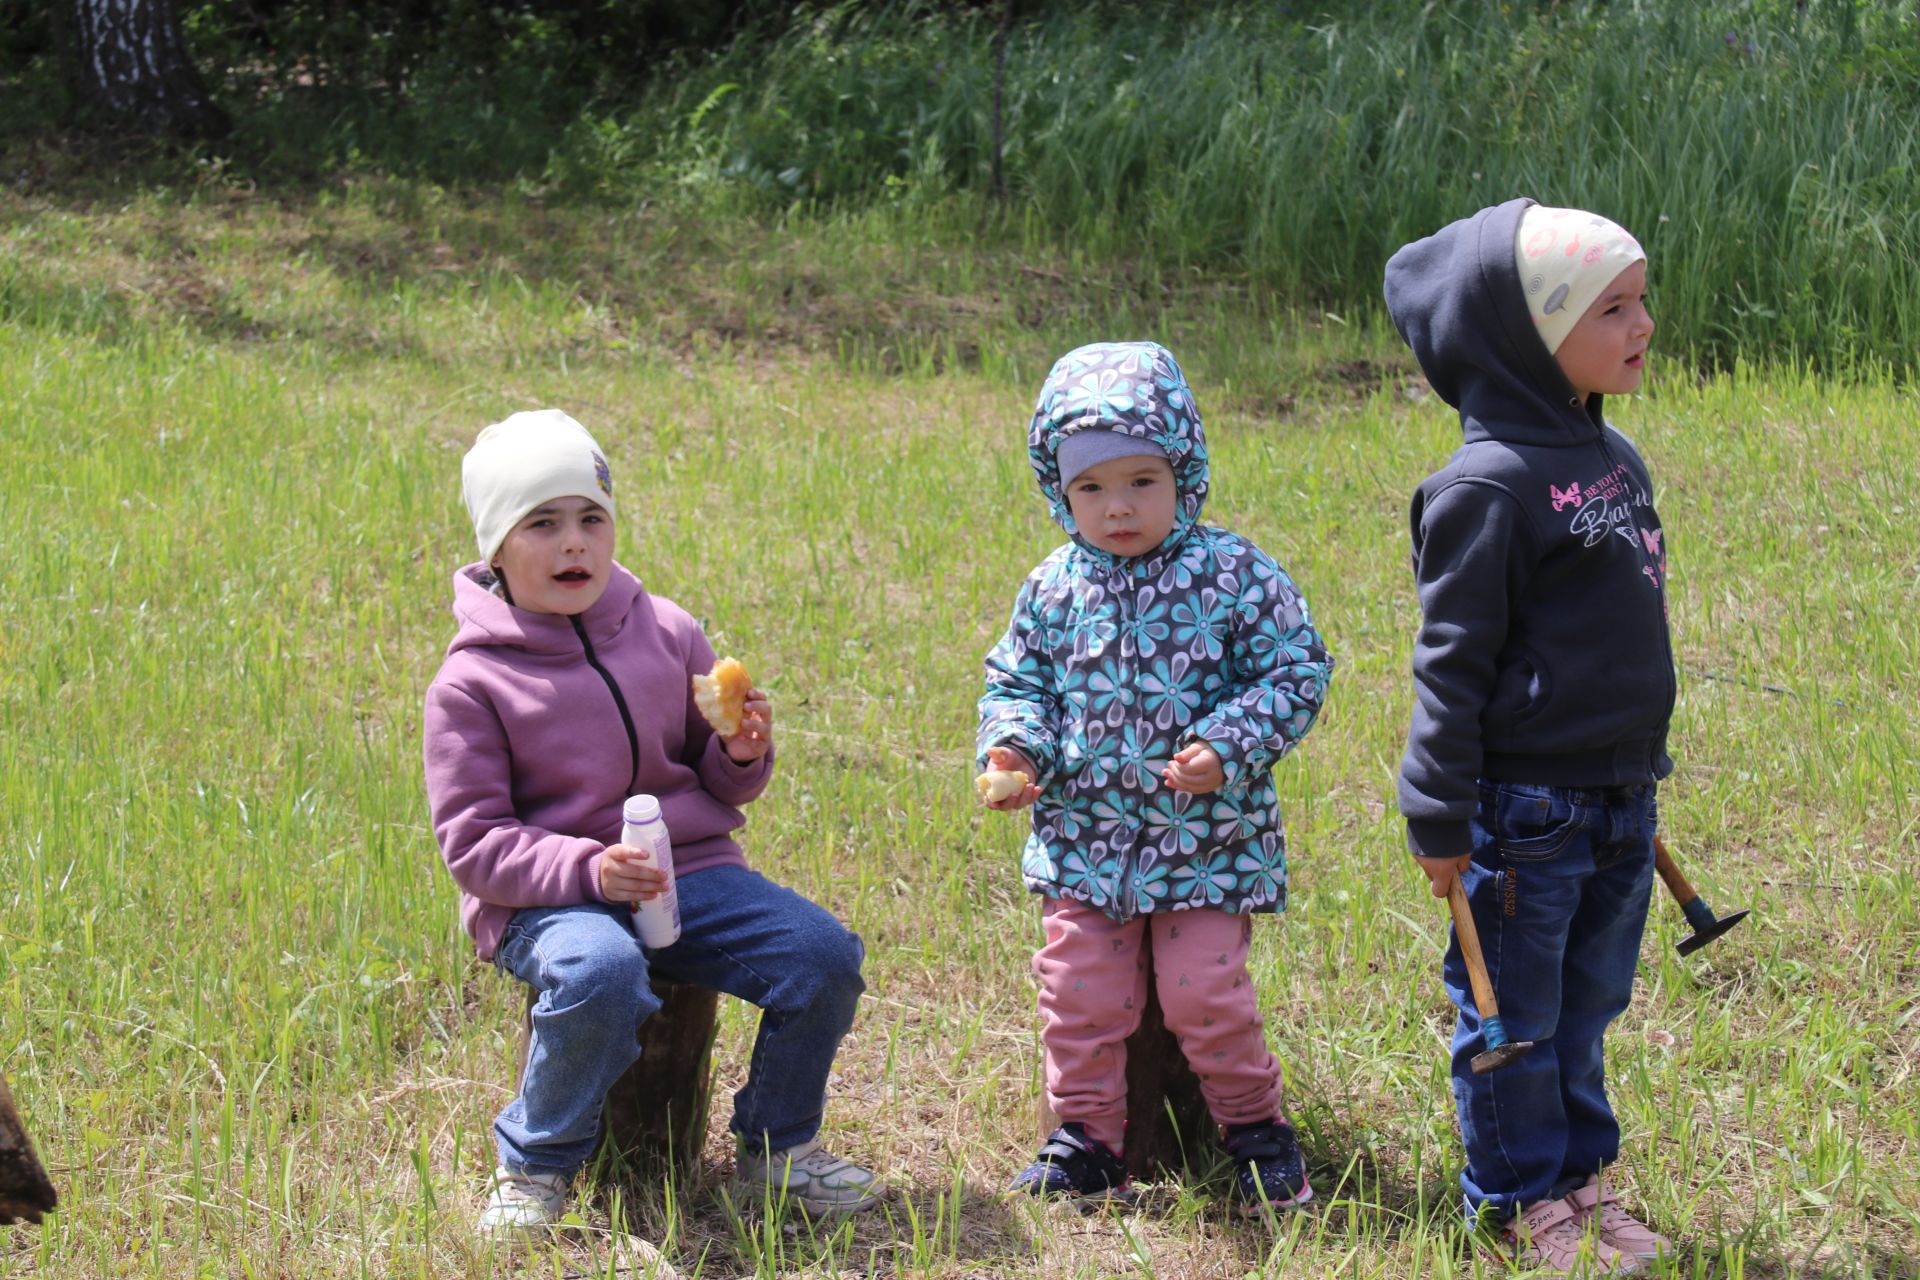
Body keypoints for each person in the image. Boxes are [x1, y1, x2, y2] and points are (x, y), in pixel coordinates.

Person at [423, 409, 882, 1240]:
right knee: (601, 973)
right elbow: (473, 843)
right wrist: (587, 871)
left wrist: (740, 752)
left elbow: (719, 780)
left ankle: (777, 1148)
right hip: (550, 900)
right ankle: (535, 1164)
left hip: (691, 870)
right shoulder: (472, 684)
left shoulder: (666, 630)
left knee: (822, 958)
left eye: (592, 519)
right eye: (543, 523)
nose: (575, 544)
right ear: (496, 547)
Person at [976, 341, 1334, 1214]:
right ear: (1058, 492)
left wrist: (1228, 743)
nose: (1118, 507)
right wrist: (1017, 752)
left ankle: (1256, 1133)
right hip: (1085, 845)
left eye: (1141, 481)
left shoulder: (1232, 574)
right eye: (1090, 489)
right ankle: (1088, 1141)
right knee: (1078, 994)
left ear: (1186, 470)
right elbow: (1019, 683)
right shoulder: (1053, 589)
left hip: (1206, 841)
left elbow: (1297, 667)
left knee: (1202, 994)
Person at [1384, 200, 1674, 1275]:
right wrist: (1437, 810)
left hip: (1616, 795)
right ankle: (1516, 1202)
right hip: (1526, 811)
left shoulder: (1612, 451)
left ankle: (1577, 1180)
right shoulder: (1485, 489)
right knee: (1516, 1014)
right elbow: (1451, 663)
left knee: (1590, 1002)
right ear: (1528, 337)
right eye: (1612, 307)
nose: (1643, 322)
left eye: (1641, 299)